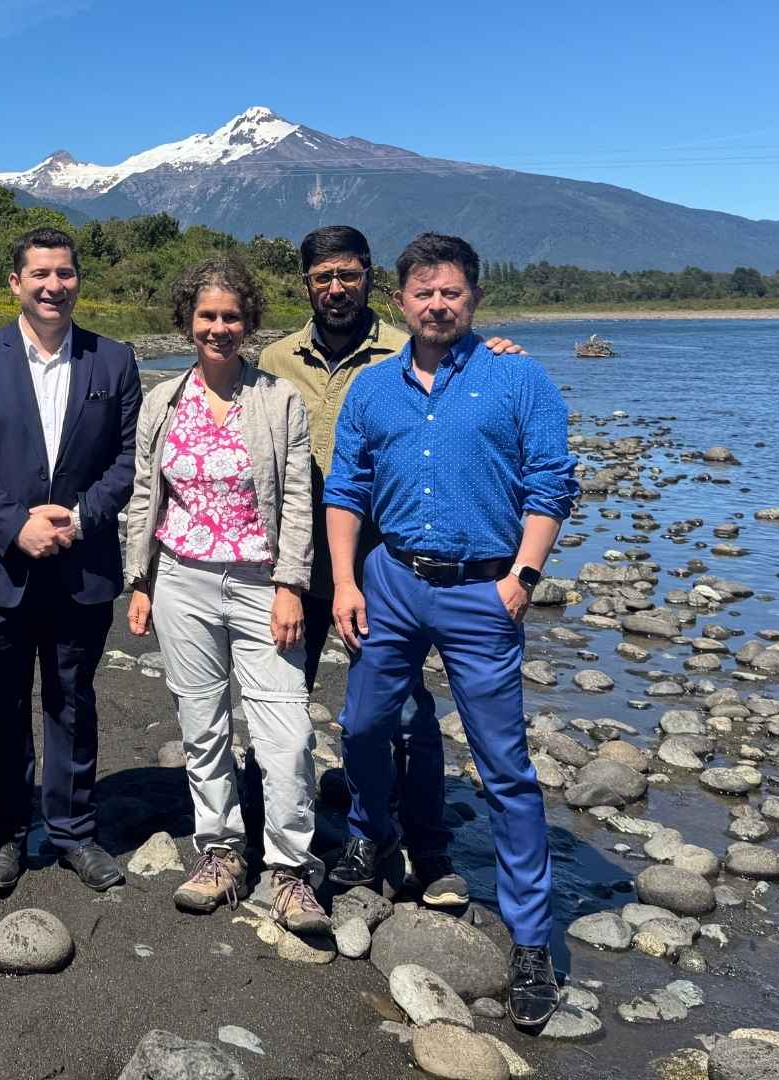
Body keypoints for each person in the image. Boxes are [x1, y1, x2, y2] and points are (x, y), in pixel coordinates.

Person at [324, 232, 578, 1028]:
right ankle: (370, 830)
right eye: (424, 292)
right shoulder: (373, 387)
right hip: (392, 580)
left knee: (505, 768)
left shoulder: (518, 377)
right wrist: (344, 581)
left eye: (452, 293)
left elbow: (552, 483)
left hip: (484, 590)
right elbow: (346, 489)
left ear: (474, 298)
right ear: (399, 301)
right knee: (363, 724)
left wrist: (523, 578)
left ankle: (531, 941)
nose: (437, 305)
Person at [258, 225, 523, 908]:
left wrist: (498, 353)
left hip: (382, 559)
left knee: (405, 712)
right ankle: (299, 827)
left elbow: (468, 370)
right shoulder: (275, 358)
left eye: (348, 275)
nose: (336, 288)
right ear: (307, 284)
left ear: (371, 281)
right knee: (289, 698)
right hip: (297, 556)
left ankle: (426, 843)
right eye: (323, 277)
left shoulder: (409, 347)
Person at [123, 260, 326, 932]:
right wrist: (141, 581)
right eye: (207, 315)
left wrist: (292, 584)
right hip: (180, 580)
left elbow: (298, 498)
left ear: (249, 323)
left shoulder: (278, 399)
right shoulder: (162, 400)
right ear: (188, 321)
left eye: (231, 316)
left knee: (286, 733)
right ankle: (220, 852)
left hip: (261, 583)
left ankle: (291, 871)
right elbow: (146, 495)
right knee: (202, 725)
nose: (218, 327)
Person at [0, 227, 141, 895]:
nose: (54, 285)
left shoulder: (114, 360)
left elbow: (127, 460)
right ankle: (4, 829)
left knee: (73, 700)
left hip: (83, 562)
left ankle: (73, 830)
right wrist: (15, 525)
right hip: (1, 563)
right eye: (40, 274)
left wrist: (80, 519)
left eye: (65, 273)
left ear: (78, 279)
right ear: (15, 283)